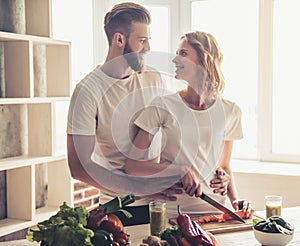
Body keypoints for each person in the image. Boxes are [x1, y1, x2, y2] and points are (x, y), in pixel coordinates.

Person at [67, 2, 229, 204]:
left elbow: (176, 133)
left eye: (148, 40)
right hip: (119, 206)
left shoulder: (154, 78)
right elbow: (79, 167)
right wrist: (135, 190)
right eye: (142, 40)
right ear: (119, 39)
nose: (148, 48)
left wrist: (217, 173)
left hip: (162, 201)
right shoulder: (88, 91)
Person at [125, 30, 254, 217]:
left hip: (215, 210)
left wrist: (236, 203)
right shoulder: (163, 105)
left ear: (204, 59)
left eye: (183, 53)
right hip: (173, 212)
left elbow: (224, 167)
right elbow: (133, 166)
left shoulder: (230, 111)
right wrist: (179, 170)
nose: (174, 59)